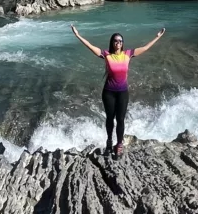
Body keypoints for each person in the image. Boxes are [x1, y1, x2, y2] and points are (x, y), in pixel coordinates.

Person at [70, 24, 165, 156]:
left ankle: (119, 144)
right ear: (112, 43)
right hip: (109, 92)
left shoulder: (128, 54)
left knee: (120, 119)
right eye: (115, 41)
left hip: (123, 93)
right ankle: (109, 141)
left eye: (120, 41)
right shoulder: (106, 54)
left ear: (122, 43)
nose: (118, 43)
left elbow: (145, 48)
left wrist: (157, 37)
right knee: (110, 118)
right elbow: (91, 47)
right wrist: (78, 35)